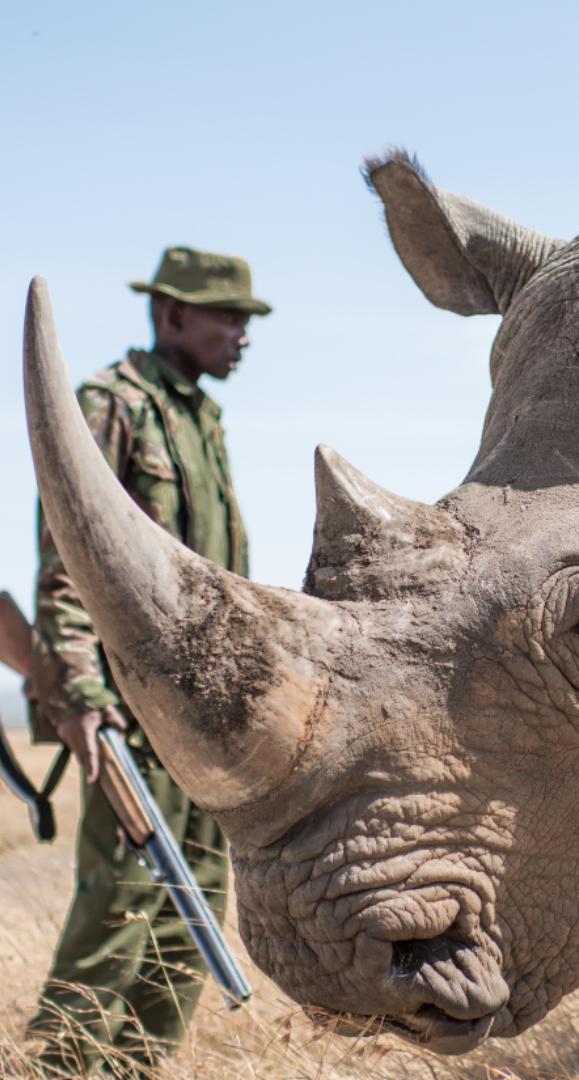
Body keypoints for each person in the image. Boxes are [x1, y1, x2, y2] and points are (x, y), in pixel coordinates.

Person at [27, 246, 271, 1075]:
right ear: (171, 314)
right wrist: (80, 693)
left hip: (205, 723)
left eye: (245, 320)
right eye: (227, 317)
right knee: (121, 915)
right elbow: (67, 558)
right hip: (130, 718)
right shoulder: (111, 403)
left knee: (187, 924)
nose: (242, 334)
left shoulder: (201, 418)